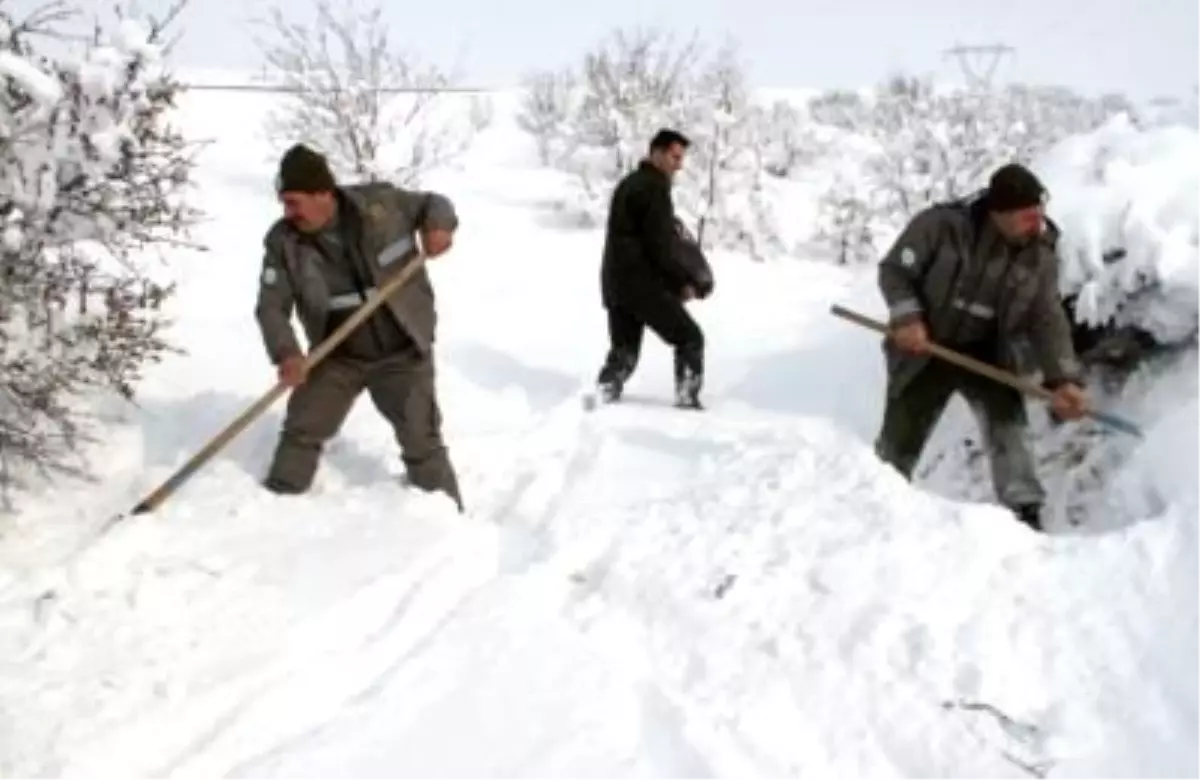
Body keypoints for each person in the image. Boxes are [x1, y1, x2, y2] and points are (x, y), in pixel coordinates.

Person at [873, 162, 1090, 531]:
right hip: (927, 347)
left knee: (1010, 431)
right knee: (900, 437)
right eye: (1025, 218)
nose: (1035, 225)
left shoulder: (1041, 253)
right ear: (997, 213)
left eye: (1038, 215)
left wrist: (1064, 379)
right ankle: (874, 501)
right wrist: (908, 318)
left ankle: (1025, 515)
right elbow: (895, 271)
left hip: (991, 353)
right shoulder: (940, 227)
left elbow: (1046, 318)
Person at [254, 143, 463, 511]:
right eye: (284, 203)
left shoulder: (381, 206)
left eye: (294, 202)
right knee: (301, 431)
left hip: (403, 351)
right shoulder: (283, 242)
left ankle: (446, 520)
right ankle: (276, 509)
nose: (288, 213)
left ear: (323, 193)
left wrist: (439, 227)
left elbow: (434, 204)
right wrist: (287, 353)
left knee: (422, 440)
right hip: (336, 356)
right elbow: (271, 306)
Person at [594, 128, 712, 410]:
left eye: (681, 158)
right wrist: (682, 282)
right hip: (643, 285)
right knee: (690, 338)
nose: (679, 164)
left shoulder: (630, 183)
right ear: (656, 153)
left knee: (624, 353)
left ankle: (598, 400)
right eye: (674, 157)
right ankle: (687, 399)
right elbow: (659, 247)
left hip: (616, 283)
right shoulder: (655, 188)